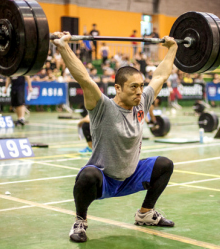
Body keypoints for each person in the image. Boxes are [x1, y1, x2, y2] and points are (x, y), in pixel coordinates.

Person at [52, 31, 176, 243]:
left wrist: (173, 48)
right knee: (86, 176)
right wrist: (63, 47)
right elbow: (84, 78)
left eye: (141, 86)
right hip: (104, 179)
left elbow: (160, 76)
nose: (140, 91)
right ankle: (80, 220)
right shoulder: (103, 107)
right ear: (117, 88)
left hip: (132, 175)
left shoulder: (141, 102)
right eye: (133, 87)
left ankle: (145, 213)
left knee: (165, 164)